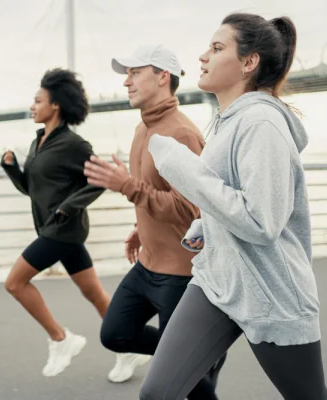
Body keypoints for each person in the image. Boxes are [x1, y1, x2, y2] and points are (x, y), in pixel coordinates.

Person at [141, 13, 327, 399]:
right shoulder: (227, 121)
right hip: (220, 280)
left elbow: (263, 222)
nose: (202, 57)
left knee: (309, 397)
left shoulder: (261, 123)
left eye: (216, 48)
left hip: (270, 291)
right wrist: (205, 227)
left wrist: (181, 167)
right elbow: (231, 193)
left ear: (249, 62)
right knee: (158, 392)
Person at [83, 45, 225, 396]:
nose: (126, 83)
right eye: (126, 75)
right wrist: (141, 226)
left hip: (181, 275)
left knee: (186, 381)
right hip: (148, 265)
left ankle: (195, 358)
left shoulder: (182, 134)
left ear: (163, 77)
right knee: (115, 333)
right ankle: (197, 355)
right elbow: (156, 192)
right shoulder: (140, 130)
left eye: (134, 73)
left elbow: (195, 208)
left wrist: (126, 186)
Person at [1, 68, 109, 377]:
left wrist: (68, 207)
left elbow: (100, 180)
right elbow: (31, 190)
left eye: (38, 101)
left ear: (55, 105)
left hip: (61, 230)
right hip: (56, 229)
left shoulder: (74, 144)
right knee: (94, 293)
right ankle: (127, 345)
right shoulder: (38, 143)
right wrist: (11, 169)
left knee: (15, 283)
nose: (32, 106)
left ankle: (61, 338)